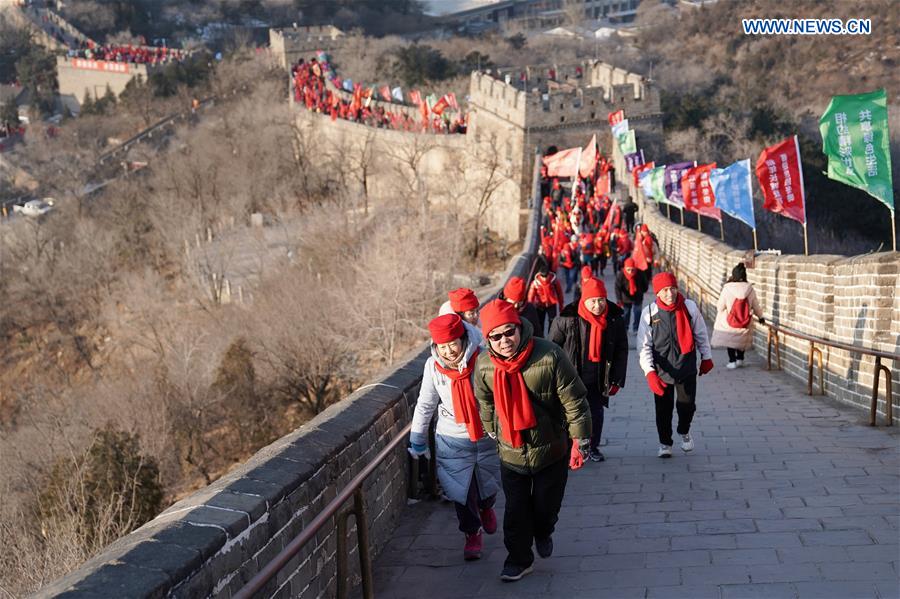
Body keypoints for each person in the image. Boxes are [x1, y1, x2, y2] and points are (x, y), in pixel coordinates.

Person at [473, 299, 591, 582]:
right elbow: (485, 400)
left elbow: (574, 400)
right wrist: (490, 428)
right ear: (488, 339)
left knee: (545, 506)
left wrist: (581, 439)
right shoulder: (485, 364)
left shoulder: (549, 355)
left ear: (519, 327)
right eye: (496, 336)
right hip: (511, 451)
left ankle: (544, 530)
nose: (504, 341)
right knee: (516, 510)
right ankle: (519, 559)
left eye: (509, 332)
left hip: (551, 448)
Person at [410, 314, 501, 560]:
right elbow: (425, 404)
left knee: (488, 480)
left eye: (452, 344)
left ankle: (487, 506)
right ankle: (472, 532)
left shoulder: (483, 358)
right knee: (460, 489)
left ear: (463, 340)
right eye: (442, 346)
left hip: (485, 432)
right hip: (451, 435)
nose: (448, 351)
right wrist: (417, 437)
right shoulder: (433, 366)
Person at [549, 277, 628, 462]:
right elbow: (552, 349)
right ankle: (570, 449)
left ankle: (592, 447)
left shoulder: (613, 319)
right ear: (584, 300)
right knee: (569, 415)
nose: (597, 305)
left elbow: (621, 349)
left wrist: (617, 379)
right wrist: (553, 378)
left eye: (601, 300)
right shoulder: (567, 318)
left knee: (596, 414)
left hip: (598, 378)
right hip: (570, 379)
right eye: (592, 301)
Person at [637, 273, 714, 458]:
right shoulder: (649, 313)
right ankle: (665, 443)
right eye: (664, 290)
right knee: (663, 410)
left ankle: (684, 430)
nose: (669, 294)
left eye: (672, 288)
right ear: (657, 292)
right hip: (662, 370)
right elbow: (643, 345)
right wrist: (649, 373)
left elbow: (701, 333)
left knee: (687, 405)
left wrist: (706, 357)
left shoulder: (689, 307)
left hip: (686, 367)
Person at [711, 263, 764, 369]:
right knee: (741, 339)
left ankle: (732, 361)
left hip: (730, 321)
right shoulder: (750, 289)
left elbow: (720, 307)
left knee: (730, 340)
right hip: (745, 321)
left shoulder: (727, 289)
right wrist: (761, 317)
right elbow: (756, 305)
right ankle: (740, 359)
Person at [615, 258, 649, 334]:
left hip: (638, 297)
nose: (630, 272)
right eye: (628, 269)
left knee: (637, 312)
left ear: (635, 268)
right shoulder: (621, 274)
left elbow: (645, 283)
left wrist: (642, 290)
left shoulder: (640, 273)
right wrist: (619, 299)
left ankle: (636, 328)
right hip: (626, 298)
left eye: (632, 269)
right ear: (625, 268)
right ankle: (625, 328)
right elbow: (617, 287)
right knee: (626, 313)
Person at [527, 266, 564, 334]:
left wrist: (561, 306)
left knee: (552, 322)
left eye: (546, 276)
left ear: (549, 274)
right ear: (540, 275)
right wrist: (530, 309)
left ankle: (551, 335)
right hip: (540, 305)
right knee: (540, 322)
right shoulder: (535, 283)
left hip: (551, 304)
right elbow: (530, 297)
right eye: (543, 277)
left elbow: (559, 293)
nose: (544, 279)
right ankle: (542, 336)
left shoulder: (554, 281)